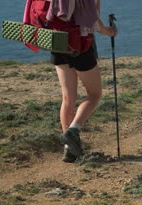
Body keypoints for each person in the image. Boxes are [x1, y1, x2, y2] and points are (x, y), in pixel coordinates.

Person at [48, 0, 115, 163]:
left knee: (68, 98)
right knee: (94, 94)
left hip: (57, 41)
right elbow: (92, 19)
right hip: (80, 44)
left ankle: (69, 150)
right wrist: (109, 31)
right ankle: (73, 130)